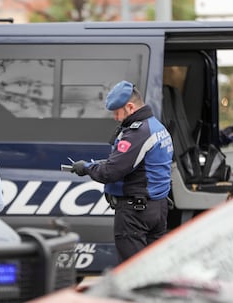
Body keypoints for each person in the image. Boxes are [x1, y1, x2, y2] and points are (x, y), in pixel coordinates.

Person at [70, 80, 174, 263]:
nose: (115, 118)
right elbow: (136, 164)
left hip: (135, 214)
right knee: (154, 267)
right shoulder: (157, 127)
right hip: (157, 208)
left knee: (132, 271)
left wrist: (87, 167)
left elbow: (110, 172)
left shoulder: (138, 133)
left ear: (130, 107)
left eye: (117, 112)